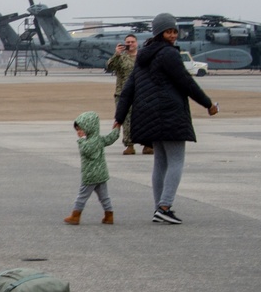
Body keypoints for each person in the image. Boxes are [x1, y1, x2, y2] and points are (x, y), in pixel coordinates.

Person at [114, 13, 219, 225]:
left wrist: (119, 116)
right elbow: (186, 83)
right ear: (159, 33)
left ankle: (159, 208)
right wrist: (208, 104)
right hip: (169, 114)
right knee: (176, 161)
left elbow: (128, 89)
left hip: (147, 115)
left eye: (174, 31)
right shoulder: (168, 54)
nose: (172, 35)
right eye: (168, 32)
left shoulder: (143, 56)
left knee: (160, 162)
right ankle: (164, 206)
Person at [63, 111, 119, 225]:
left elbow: (86, 150)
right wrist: (117, 129)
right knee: (104, 197)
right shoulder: (99, 139)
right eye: (77, 130)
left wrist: (82, 139)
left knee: (82, 196)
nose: (78, 132)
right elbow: (110, 138)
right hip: (101, 174)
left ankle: (75, 215)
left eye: (80, 129)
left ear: (89, 128)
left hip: (90, 175)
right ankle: (109, 215)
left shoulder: (89, 142)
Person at [106, 34, 152, 155]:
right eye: (128, 42)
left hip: (141, 93)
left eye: (132, 42)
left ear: (136, 43)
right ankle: (129, 145)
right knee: (126, 120)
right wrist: (116, 54)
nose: (130, 44)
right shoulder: (121, 58)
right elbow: (109, 67)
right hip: (123, 93)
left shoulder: (143, 57)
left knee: (145, 119)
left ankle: (147, 144)